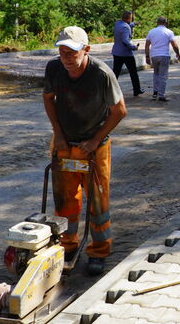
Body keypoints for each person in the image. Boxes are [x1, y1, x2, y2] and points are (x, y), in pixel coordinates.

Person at [43, 26, 127, 276]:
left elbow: (119, 111)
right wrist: (57, 133)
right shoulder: (54, 68)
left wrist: (95, 140)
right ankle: (67, 245)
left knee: (98, 202)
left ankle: (99, 250)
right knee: (65, 200)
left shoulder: (101, 74)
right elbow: (48, 98)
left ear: (86, 50)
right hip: (65, 144)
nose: (66, 57)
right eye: (62, 51)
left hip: (94, 147)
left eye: (72, 52)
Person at [144, 16, 180, 102]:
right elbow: (174, 45)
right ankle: (161, 95)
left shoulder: (151, 32)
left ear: (157, 22)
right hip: (164, 55)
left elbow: (147, 46)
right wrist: (177, 53)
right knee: (163, 76)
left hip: (154, 56)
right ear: (166, 23)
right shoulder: (169, 32)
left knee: (156, 74)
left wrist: (147, 56)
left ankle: (155, 92)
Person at [112, 11, 144, 97]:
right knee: (133, 72)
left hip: (116, 52)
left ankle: (109, 89)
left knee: (115, 73)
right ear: (129, 18)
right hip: (126, 53)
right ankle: (137, 90)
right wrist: (134, 47)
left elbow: (125, 27)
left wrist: (134, 24)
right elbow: (125, 41)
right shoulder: (126, 28)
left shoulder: (117, 24)